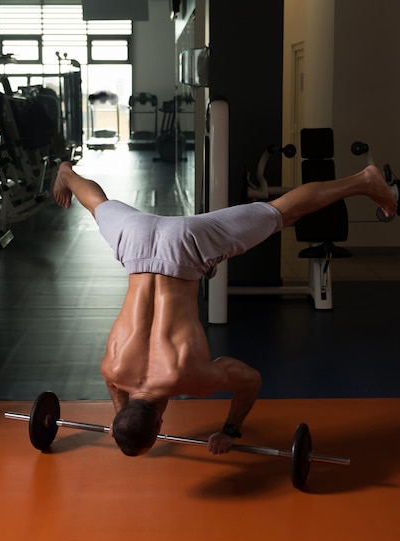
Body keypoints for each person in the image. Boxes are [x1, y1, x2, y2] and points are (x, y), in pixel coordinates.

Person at [53, 161, 397, 456]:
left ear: (160, 426)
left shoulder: (192, 377)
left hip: (186, 248)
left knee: (281, 211)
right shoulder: (112, 367)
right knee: (98, 205)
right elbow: (116, 385)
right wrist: (122, 416)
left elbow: (250, 380)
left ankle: (364, 180)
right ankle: (66, 173)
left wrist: (230, 430)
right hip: (138, 240)